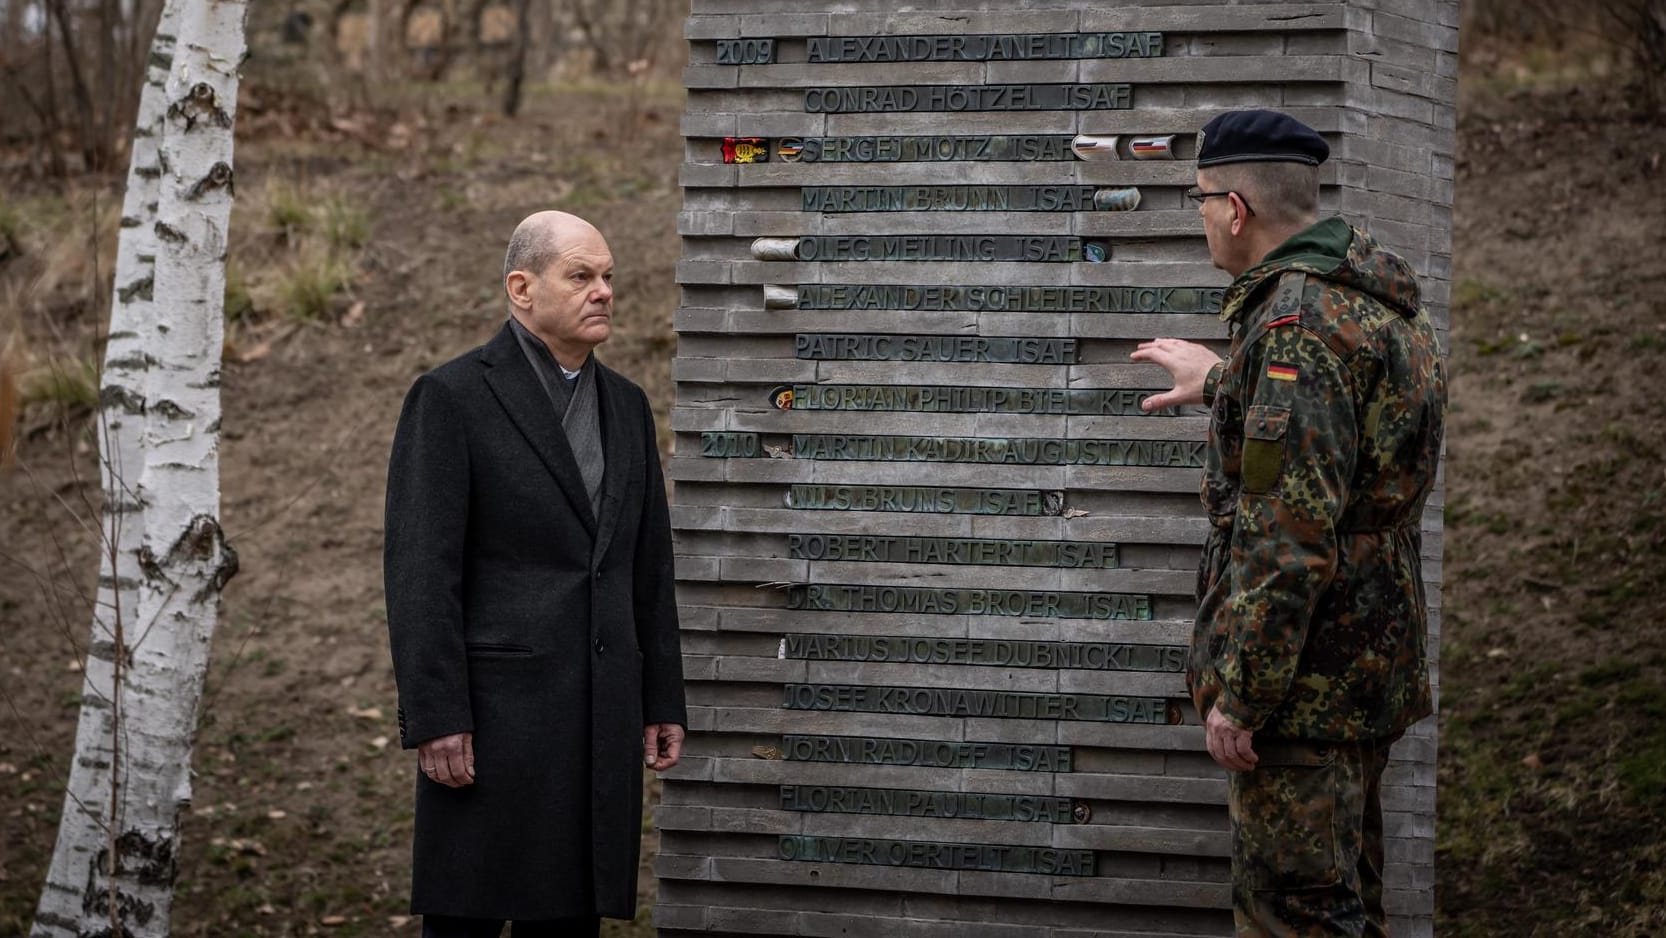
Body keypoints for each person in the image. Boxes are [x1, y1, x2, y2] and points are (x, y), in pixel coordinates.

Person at [1130, 110, 1447, 936]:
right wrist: (1230, 380)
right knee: (1345, 905)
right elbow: (1353, 448)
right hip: (1368, 667)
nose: (1199, 216)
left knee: (1296, 919)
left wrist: (1244, 695)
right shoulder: (1375, 300)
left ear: (1234, 208)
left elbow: (1289, 537)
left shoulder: (1295, 330)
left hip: (1306, 692)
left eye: (1200, 199)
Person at [383, 211, 686, 937]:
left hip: (598, 714)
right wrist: (437, 716)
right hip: (494, 721)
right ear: (522, 287)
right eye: (581, 275)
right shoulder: (451, 397)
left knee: (571, 922)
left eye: (609, 276)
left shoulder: (628, 406)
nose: (604, 290)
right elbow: (422, 570)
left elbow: (648, 564)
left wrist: (660, 696)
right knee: (467, 922)